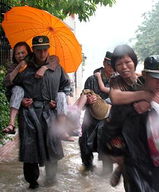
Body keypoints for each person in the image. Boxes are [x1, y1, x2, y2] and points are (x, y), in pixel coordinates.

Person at [102, 53, 159, 191]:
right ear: (144, 75)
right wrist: (118, 156)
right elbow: (111, 128)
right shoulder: (127, 99)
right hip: (134, 160)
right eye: (155, 78)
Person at [12, 35, 70, 189]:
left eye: (45, 49)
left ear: (48, 50)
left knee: (52, 145)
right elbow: (12, 88)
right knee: (30, 149)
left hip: (50, 113)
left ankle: (51, 180)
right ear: (33, 50)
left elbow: (65, 87)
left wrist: (58, 99)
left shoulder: (57, 68)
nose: (42, 53)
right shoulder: (25, 69)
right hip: (29, 114)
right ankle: (32, 182)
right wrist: (22, 99)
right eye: (38, 50)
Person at [2, 41, 59, 135]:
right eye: (17, 53)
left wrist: (44, 67)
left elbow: (55, 59)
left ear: (28, 52)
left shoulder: (34, 64)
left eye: (23, 52)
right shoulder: (13, 66)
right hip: (21, 100)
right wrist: (18, 67)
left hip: (37, 101)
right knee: (18, 89)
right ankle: (11, 124)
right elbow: (7, 83)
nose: (20, 55)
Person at [77, 51, 114, 174]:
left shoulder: (118, 81)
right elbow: (84, 97)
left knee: (108, 153)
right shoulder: (92, 79)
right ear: (104, 63)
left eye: (114, 65)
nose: (112, 67)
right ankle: (87, 169)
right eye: (109, 64)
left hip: (109, 120)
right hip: (91, 120)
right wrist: (88, 100)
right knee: (85, 145)